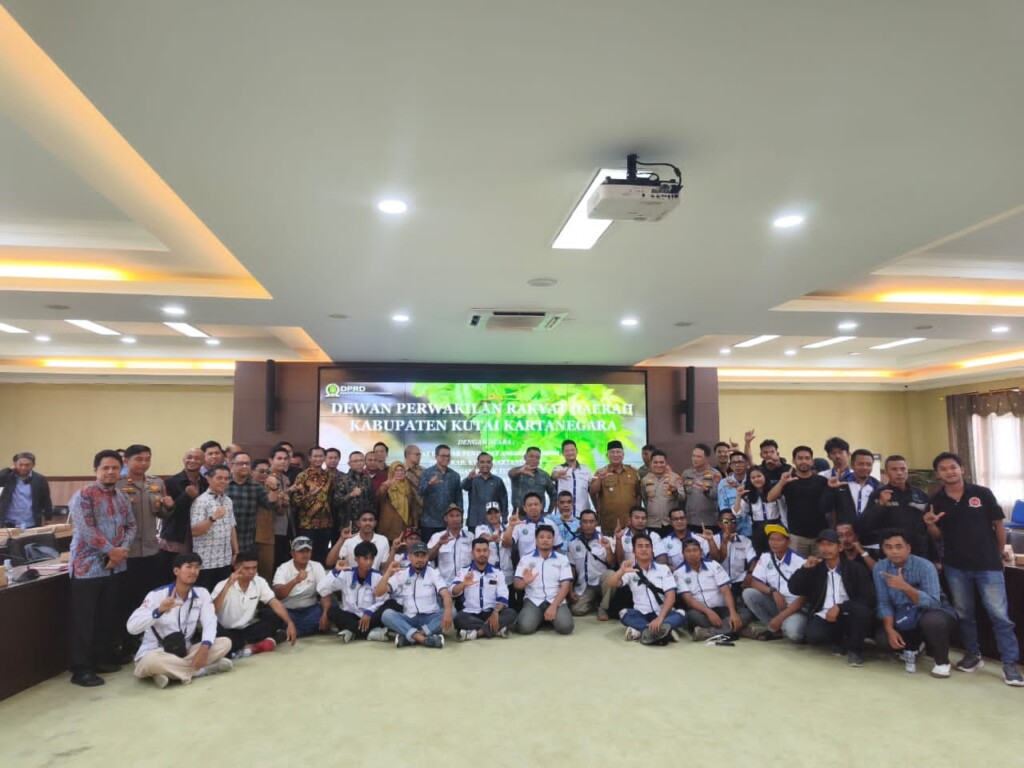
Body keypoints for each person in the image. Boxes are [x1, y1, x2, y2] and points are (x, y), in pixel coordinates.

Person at [924, 452, 1022, 685]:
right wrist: (930, 524)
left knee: (1000, 616)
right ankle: (973, 655)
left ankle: (1010, 665)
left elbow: (999, 525)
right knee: (965, 614)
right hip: (955, 567)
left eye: (953, 467)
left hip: (988, 566)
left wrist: (998, 553)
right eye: (943, 469)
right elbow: (937, 536)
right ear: (938, 474)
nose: (949, 472)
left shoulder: (982, 493)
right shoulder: (936, 500)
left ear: (962, 469)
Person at [68, 450, 136, 686]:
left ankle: (100, 660)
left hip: (115, 567)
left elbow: (131, 525)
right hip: (87, 568)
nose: (110, 472)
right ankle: (81, 670)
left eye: (115, 468)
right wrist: (111, 551)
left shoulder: (122, 496)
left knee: (106, 616)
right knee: (85, 621)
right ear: (95, 470)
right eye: (105, 468)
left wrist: (121, 550)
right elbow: (86, 529)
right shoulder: (83, 495)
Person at [126, 552, 234, 688]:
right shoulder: (157, 595)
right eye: (189, 567)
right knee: (150, 661)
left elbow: (210, 622)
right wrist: (159, 611)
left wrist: (205, 647)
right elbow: (131, 628)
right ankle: (199, 671)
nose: (193, 571)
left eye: (197, 567)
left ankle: (168, 673)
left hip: (185, 651)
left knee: (225, 643)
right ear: (176, 571)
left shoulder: (202, 593)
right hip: (157, 652)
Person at [115, 444, 175, 661]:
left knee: (147, 599)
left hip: (150, 550)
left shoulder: (156, 483)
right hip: (126, 552)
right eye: (138, 459)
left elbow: (163, 514)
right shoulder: (117, 483)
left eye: (147, 459)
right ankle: (124, 642)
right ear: (126, 461)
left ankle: (147, 641)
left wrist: (169, 506)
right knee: (126, 600)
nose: (144, 463)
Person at [873, 529, 959, 678]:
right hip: (904, 614)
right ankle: (916, 645)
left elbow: (933, 603)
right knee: (883, 639)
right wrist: (889, 629)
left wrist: (905, 587)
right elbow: (884, 603)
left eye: (899, 546)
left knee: (932, 621)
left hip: (933, 612)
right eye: (889, 547)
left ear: (908, 548)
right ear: (883, 549)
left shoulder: (925, 566)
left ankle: (942, 663)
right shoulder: (880, 568)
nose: (894, 551)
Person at [788, 530, 876, 667]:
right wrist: (805, 569)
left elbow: (867, 598)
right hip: (825, 614)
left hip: (849, 612)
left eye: (830, 544)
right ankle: (839, 641)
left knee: (863, 612)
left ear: (839, 547)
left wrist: (841, 607)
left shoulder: (855, 568)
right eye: (822, 545)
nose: (825, 549)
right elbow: (794, 589)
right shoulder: (816, 569)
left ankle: (855, 651)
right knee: (814, 636)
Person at [212, 550, 297, 657]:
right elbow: (213, 612)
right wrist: (228, 585)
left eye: (254, 568)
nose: (251, 572)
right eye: (247, 568)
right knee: (214, 628)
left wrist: (289, 622)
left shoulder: (259, 581)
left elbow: (274, 602)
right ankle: (253, 644)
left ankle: (243, 646)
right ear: (236, 567)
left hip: (248, 630)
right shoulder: (222, 585)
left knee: (275, 615)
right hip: (227, 632)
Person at [608, 533, 684, 644]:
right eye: (640, 546)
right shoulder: (630, 570)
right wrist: (621, 571)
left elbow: (671, 596)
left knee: (681, 614)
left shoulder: (663, 569)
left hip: (662, 613)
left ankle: (642, 631)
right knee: (624, 613)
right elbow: (611, 583)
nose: (644, 549)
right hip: (641, 614)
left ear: (652, 550)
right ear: (633, 551)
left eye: (647, 546)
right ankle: (664, 631)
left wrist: (660, 618)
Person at [376, 541, 453, 649]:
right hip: (409, 618)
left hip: (430, 618)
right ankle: (425, 639)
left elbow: (445, 594)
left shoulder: (434, 573)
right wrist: (388, 572)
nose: (420, 559)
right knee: (386, 615)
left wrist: (448, 611)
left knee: (452, 611)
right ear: (410, 557)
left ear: (427, 558)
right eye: (416, 555)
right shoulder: (402, 573)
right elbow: (378, 592)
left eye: (423, 556)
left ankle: (411, 637)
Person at [742, 524, 807, 642]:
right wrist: (772, 591)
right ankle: (776, 629)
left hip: (795, 608)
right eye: (771, 539)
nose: (774, 543)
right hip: (776, 603)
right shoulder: (766, 557)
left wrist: (781, 617)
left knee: (795, 634)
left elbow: (804, 597)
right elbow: (755, 582)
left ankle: (781, 624)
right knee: (748, 593)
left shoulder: (800, 561)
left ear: (788, 542)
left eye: (778, 539)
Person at [317, 540, 391, 643]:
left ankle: (352, 630)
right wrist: (335, 571)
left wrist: (369, 611)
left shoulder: (378, 577)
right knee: (332, 611)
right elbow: (321, 589)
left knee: (390, 605)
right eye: (365, 558)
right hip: (350, 616)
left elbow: (383, 600)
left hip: (370, 617)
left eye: (372, 558)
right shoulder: (346, 574)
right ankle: (369, 634)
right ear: (356, 559)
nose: (369, 562)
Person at [858, 455, 931, 557]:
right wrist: (880, 505)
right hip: (891, 553)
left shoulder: (920, 494)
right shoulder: (878, 494)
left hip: (919, 552)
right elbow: (867, 525)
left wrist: (935, 557)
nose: (899, 473)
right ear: (886, 472)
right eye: (894, 469)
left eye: (903, 469)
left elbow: (928, 526)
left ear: (907, 471)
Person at [676, 537, 747, 640]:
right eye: (688, 551)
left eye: (695, 550)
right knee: (691, 615)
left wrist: (732, 613)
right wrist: (708, 612)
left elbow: (726, 591)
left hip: (722, 609)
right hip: (702, 612)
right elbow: (689, 600)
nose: (692, 554)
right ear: (683, 554)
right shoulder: (678, 573)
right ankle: (735, 629)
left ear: (701, 552)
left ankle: (709, 632)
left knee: (745, 613)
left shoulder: (713, 565)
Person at [766, 446, 829, 556]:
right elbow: (770, 498)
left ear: (812, 461)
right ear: (793, 461)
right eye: (800, 458)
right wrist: (782, 482)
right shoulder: (788, 480)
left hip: (820, 536)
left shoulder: (822, 481)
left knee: (821, 566)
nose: (804, 461)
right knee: (797, 566)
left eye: (807, 458)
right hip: (796, 536)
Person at [451, 538, 517, 640]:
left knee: (511, 614)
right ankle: (495, 629)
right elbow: (453, 591)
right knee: (458, 619)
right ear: (472, 553)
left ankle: (477, 633)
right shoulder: (464, 571)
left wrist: (495, 612)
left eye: (485, 550)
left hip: (492, 611)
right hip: (471, 613)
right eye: (478, 551)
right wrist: (463, 584)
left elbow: (503, 596)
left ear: (489, 552)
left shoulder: (497, 572)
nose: (482, 554)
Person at [514, 524, 574, 635]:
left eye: (549, 537)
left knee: (566, 628)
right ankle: (541, 618)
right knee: (524, 628)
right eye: (541, 537)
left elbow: (566, 585)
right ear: (536, 541)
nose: (545, 540)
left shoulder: (562, 559)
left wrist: (554, 606)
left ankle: (547, 616)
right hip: (533, 600)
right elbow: (517, 584)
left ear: (553, 540)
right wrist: (525, 582)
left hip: (556, 599)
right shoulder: (526, 559)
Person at [161, 448, 206, 578]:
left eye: (197, 458)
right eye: (189, 457)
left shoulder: (206, 483)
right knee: (170, 575)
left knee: (193, 574)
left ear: (203, 462)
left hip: (198, 536)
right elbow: (169, 512)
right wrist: (186, 496)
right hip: (176, 536)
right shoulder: (170, 482)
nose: (192, 460)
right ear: (183, 460)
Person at [190, 466, 237, 591]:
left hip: (225, 560)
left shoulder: (228, 501)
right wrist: (213, 518)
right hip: (205, 562)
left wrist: (236, 551)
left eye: (226, 478)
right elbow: (194, 531)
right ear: (209, 479)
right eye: (219, 478)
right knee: (204, 596)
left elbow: (232, 527)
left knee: (222, 595)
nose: (223, 481)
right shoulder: (200, 501)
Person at [272, 536, 328, 637]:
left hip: (311, 609)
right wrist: (295, 581)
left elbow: (325, 593)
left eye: (307, 551)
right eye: (301, 551)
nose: (305, 554)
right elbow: (278, 594)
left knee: (331, 609)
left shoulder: (317, 566)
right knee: (271, 615)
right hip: (288, 611)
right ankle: (303, 629)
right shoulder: (283, 568)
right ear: (292, 553)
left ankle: (288, 632)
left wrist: (325, 614)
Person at [566, 509, 616, 619]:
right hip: (585, 585)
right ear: (580, 524)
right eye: (585, 522)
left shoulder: (606, 539)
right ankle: (594, 602)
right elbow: (572, 569)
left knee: (611, 575)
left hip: (602, 581)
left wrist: (608, 549)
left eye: (591, 522)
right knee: (576, 610)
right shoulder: (573, 543)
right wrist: (570, 590)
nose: (588, 525)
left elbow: (612, 563)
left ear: (596, 523)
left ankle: (603, 608)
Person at [289, 447, 334, 564]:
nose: (318, 459)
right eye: (315, 456)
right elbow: (295, 501)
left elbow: (331, 498)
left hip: (326, 523)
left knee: (322, 557)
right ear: (310, 458)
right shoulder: (302, 476)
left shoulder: (328, 476)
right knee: (306, 557)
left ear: (324, 458)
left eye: (321, 456)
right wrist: (310, 495)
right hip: (307, 524)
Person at [589, 440, 641, 533]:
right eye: (612, 452)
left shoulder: (633, 472)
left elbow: (638, 495)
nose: (615, 455)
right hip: (608, 522)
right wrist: (599, 479)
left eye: (618, 452)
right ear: (607, 455)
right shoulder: (601, 472)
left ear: (623, 455)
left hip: (630, 523)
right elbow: (593, 491)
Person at [821, 448, 880, 528]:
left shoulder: (878, 487)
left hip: (870, 533)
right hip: (844, 532)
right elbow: (825, 508)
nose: (865, 467)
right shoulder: (840, 484)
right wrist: (830, 489)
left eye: (869, 464)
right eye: (861, 464)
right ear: (852, 465)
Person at [733, 465, 782, 554]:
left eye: (759, 476)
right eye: (753, 478)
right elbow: (737, 513)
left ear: (765, 476)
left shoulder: (774, 492)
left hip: (775, 528)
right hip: (758, 531)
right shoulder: (749, 495)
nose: (756, 479)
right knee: (761, 556)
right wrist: (738, 496)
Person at [417, 444, 462, 540]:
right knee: (430, 549)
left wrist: (459, 519)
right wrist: (429, 483)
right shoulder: (427, 473)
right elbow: (420, 492)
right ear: (436, 456)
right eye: (443, 456)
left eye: (448, 456)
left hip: (448, 523)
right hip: (429, 522)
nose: (446, 458)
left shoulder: (455, 475)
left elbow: (459, 499)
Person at [504, 492, 564, 561]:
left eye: (536, 504)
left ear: (541, 506)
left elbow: (557, 547)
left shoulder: (551, 524)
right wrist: (511, 526)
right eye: (530, 505)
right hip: (526, 565)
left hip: (548, 564)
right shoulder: (519, 526)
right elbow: (506, 544)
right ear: (524, 508)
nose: (533, 507)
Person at [0, 451, 53, 528]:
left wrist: (48, 518)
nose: (23, 468)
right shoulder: (8, 477)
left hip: (30, 522)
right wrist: (9, 469)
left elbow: (46, 500)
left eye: (27, 465)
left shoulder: (40, 479)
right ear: (15, 464)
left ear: (33, 465)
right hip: (8, 522)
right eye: (20, 464)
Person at [712, 510, 757, 598]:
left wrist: (750, 573)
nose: (730, 524)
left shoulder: (745, 540)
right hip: (719, 583)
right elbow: (716, 559)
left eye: (733, 521)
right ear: (719, 524)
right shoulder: (712, 540)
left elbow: (753, 561)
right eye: (726, 521)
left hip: (740, 581)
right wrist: (724, 542)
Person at [426, 504, 472, 585]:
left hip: (466, 585)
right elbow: (427, 558)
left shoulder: (471, 537)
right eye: (451, 516)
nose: (455, 519)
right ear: (445, 518)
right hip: (444, 585)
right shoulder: (437, 536)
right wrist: (439, 544)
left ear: (462, 518)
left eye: (458, 515)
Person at [681, 444, 722, 533]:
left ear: (706, 459)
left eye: (698, 457)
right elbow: (682, 496)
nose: (694, 459)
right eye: (693, 456)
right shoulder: (686, 473)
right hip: (690, 520)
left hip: (709, 521)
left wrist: (707, 491)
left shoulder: (715, 474)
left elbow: (719, 496)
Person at [640, 449, 683, 534]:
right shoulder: (645, 480)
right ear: (651, 463)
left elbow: (682, 498)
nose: (658, 465)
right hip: (652, 523)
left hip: (671, 523)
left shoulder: (675, 478)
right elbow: (645, 499)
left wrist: (675, 491)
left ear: (666, 463)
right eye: (655, 462)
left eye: (661, 462)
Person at [462, 451, 508, 529]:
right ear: (478, 464)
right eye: (482, 462)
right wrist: (469, 478)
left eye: (488, 462)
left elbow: (504, 501)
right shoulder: (472, 479)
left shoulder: (498, 481)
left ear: (492, 464)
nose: (485, 465)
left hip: (493, 522)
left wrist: (504, 519)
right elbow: (463, 486)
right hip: (474, 522)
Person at [334, 450, 375, 534]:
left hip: (365, 524)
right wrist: (351, 495)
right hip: (347, 524)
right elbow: (336, 502)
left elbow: (371, 501)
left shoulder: (367, 479)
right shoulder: (342, 479)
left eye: (361, 460)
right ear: (349, 463)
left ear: (364, 463)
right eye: (355, 461)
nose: (359, 463)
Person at [551, 439, 592, 517]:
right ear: (563, 453)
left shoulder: (586, 469)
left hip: (582, 514)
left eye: (572, 450)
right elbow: (553, 476)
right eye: (567, 451)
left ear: (576, 451)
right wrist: (557, 474)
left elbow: (592, 490)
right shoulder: (558, 468)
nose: (570, 453)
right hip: (563, 516)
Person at [268, 447, 295, 569]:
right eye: (279, 458)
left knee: (282, 563)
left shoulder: (284, 478)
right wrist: (287, 492)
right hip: (271, 527)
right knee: (271, 563)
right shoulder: (266, 477)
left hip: (285, 526)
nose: (283, 461)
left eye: (285, 459)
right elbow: (271, 501)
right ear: (271, 460)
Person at [377, 461, 417, 540]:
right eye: (396, 470)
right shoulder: (386, 485)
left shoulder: (408, 486)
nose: (399, 473)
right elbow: (378, 498)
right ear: (392, 472)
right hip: (389, 525)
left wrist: (415, 522)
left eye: (401, 470)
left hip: (404, 524)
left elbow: (413, 506)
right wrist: (387, 486)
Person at [475, 504, 512, 585]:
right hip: (489, 574)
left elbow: (509, 543)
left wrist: (511, 526)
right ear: (486, 516)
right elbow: (482, 538)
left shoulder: (508, 528)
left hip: (507, 574)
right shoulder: (481, 528)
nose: (493, 515)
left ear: (500, 513)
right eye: (490, 513)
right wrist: (492, 538)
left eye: (496, 512)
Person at [509, 446, 556, 512]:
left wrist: (549, 512)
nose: (534, 459)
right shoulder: (517, 471)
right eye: (531, 456)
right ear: (525, 457)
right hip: (519, 514)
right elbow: (510, 473)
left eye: (537, 457)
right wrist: (520, 471)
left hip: (539, 515)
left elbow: (553, 495)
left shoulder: (544, 475)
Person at [717, 451, 751, 536]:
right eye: (734, 463)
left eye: (740, 462)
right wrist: (728, 524)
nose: (737, 465)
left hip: (750, 527)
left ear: (746, 464)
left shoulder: (752, 480)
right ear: (730, 465)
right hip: (731, 527)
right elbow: (723, 507)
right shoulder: (724, 483)